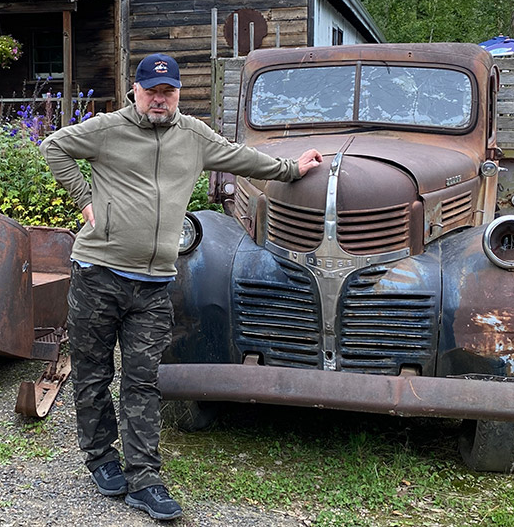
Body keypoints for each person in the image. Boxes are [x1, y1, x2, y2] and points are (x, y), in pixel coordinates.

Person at [39, 53, 323, 521]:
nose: (159, 99)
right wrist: (88, 203)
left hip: (152, 285)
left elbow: (241, 157)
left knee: (143, 379)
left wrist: (292, 168)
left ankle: (144, 479)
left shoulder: (192, 136)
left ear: (177, 94)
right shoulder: (108, 129)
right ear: (135, 91)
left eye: (167, 91)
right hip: (98, 275)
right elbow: (54, 146)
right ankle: (101, 458)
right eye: (151, 91)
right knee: (92, 373)